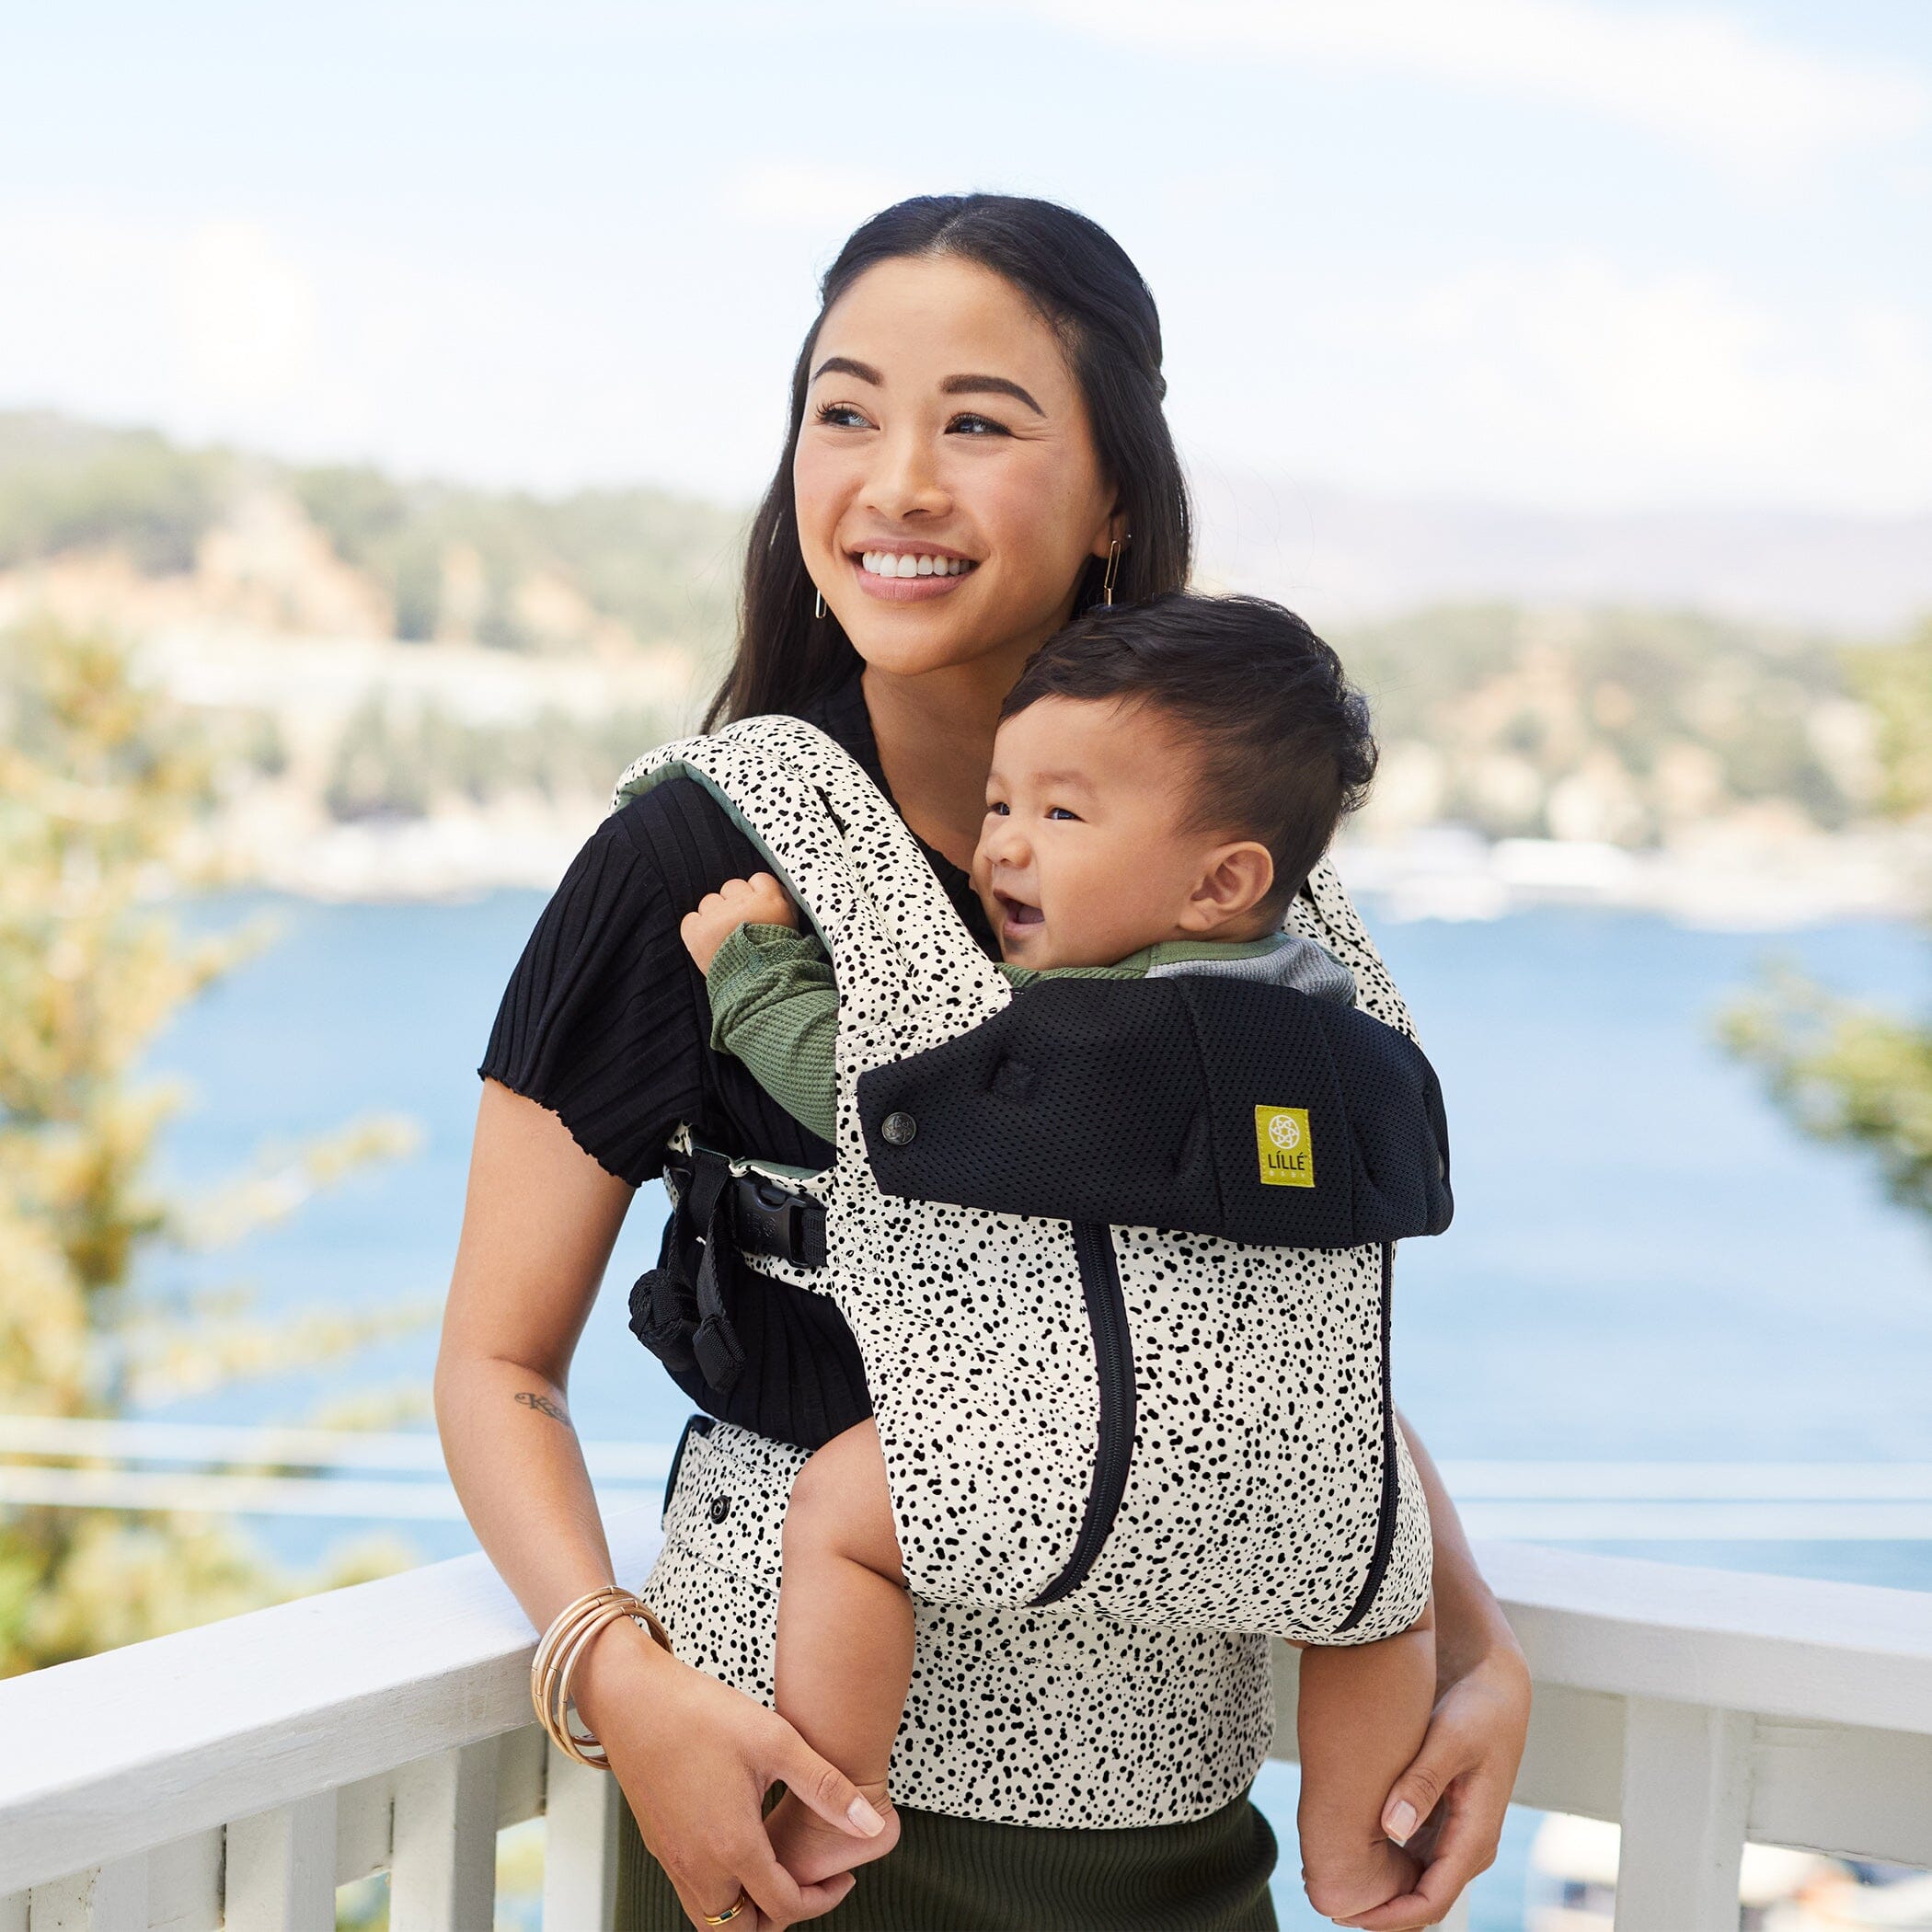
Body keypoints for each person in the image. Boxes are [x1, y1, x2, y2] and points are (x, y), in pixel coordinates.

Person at [437, 192, 1530, 1932]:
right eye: (847, 411)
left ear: (1113, 495)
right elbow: (498, 1363)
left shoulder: (1249, 898)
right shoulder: (704, 863)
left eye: (979, 422)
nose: (897, 482)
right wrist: (617, 1682)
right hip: (804, 1831)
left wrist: (1467, 1639)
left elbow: (1261, 1318)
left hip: (1182, 1834)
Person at [677, 590, 1440, 1923]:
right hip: (1316, 1482)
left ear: (1222, 882)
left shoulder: (1077, 1031)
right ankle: (1355, 1858)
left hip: (1073, 1477)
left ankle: (836, 1806)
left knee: (847, 1519)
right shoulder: (1354, 1035)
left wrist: (755, 973)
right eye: (999, 807)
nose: (1002, 852)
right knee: (1379, 1602)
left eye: (1062, 815)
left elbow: (864, 1100)